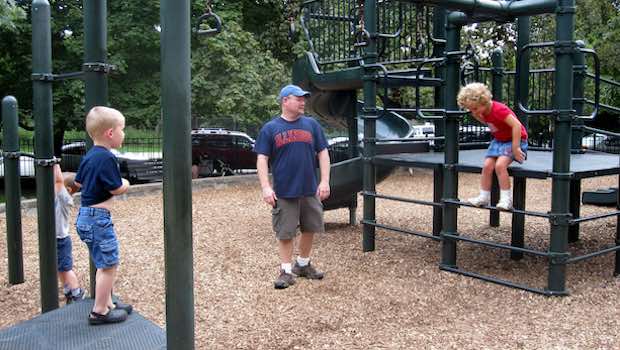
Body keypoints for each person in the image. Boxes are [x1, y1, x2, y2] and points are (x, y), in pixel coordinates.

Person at [254, 84, 331, 289]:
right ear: (285, 100)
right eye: (299, 98)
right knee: (285, 232)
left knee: (310, 227)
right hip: (284, 191)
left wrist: (324, 181)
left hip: (309, 189)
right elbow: (262, 159)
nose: (303, 101)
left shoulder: (312, 125)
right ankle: (286, 271)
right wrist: (265, 187)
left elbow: (323, 153)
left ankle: (303, 265)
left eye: (304, 98)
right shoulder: (270, 128)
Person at [74, 106, 133, 325]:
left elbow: (79, 182)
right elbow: (116, 188)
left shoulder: (90, 156)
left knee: (102, 262)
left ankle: (109, 303)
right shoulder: (107, 158)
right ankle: (99, 311)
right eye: (122, 129)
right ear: (110, 133)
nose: (124, 134)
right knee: (108, 265)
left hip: (86, 217)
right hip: (98, 219)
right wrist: (126, 183)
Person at [457, 82, 528, 210]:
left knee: (500, 165)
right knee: (487, 166)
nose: (472, 112)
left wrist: (516, 147)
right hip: (499, 140)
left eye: (474, 109)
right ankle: (484, 197)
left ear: (483, 102)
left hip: (514, 139)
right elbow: (489, 122)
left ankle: (506, 200)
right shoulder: (483, 111)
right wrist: (478, 116)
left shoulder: (499, 110)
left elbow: (516, 125)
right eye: (470, 109)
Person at [53, 164, 85, 304]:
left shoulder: (64, 198)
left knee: (66, 268)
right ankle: (67, 290)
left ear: (68, 190)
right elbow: (58, 182)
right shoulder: (58, 197)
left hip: (61, 240)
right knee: (60, 268)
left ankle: (77, 292)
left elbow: (58, 181)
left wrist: (55, 163)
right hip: (55, 239)